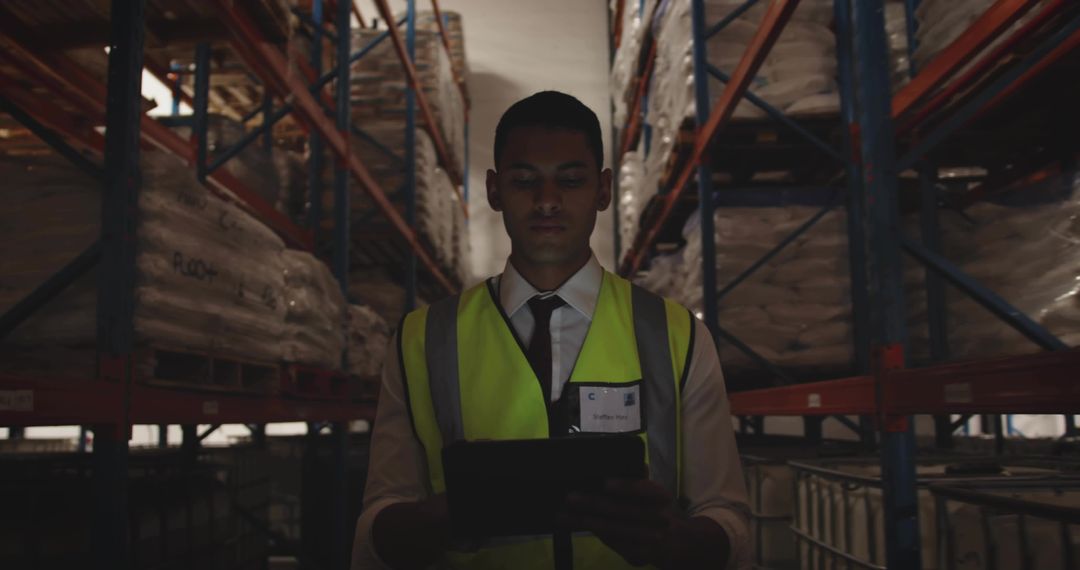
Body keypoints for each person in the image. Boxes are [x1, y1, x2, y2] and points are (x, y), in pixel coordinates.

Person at [351, 91, 750, 570]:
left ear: (604, 190)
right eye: (524, 181)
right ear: (494, 190)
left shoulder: (678, 336)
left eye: (571, 180)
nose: (546, 201)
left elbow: (727, 518)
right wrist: (451, 517)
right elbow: (376, 526)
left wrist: (677, 541)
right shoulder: (421, 340)